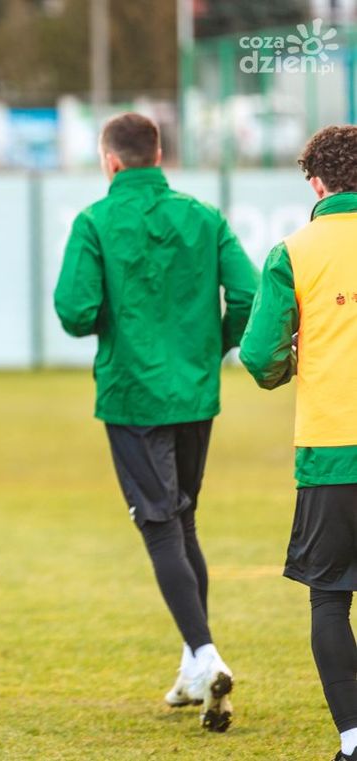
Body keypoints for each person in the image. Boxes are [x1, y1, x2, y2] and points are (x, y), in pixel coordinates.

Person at [53, 112, 258, 733]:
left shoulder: (94, 221)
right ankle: (192, 668)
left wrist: (115, 320)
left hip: (133, 395)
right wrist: (212, 346)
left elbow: (75, 311)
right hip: (194, 394)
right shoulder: (205, 216)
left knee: (161, 525)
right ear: (159, 154)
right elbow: (249, 295)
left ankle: (206, 653)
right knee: (183, 518)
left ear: (110, 161)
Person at [240, 125, 357, 761]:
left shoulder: (293, 252)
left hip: (331, 452)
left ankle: (354, 739)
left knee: (331, 599)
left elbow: (261, 357)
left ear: (316, 184)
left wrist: (291, 361)